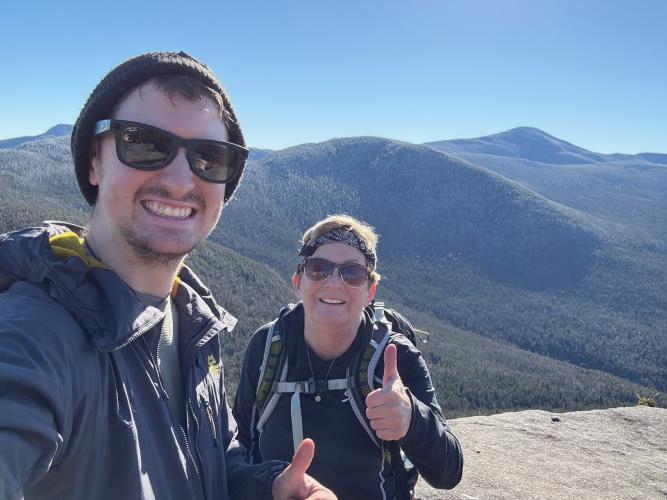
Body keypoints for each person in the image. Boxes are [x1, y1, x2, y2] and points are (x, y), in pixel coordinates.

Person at [0, 51, 334, 500]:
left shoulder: (192, 320)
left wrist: (270, 489)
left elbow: (209, 458)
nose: (180, 180)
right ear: (94, 161)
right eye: (144, 144)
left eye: (210, 157)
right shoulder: (33, 334)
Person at [234, 214, 463, 499]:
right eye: (318, 269)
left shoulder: (394, 356)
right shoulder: (267, 348)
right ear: (298, 282)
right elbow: (235, 454)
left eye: (352, 273)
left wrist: (412, 419)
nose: (334, 283)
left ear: (371, 291)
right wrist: (271, 484)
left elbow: (449, 472)